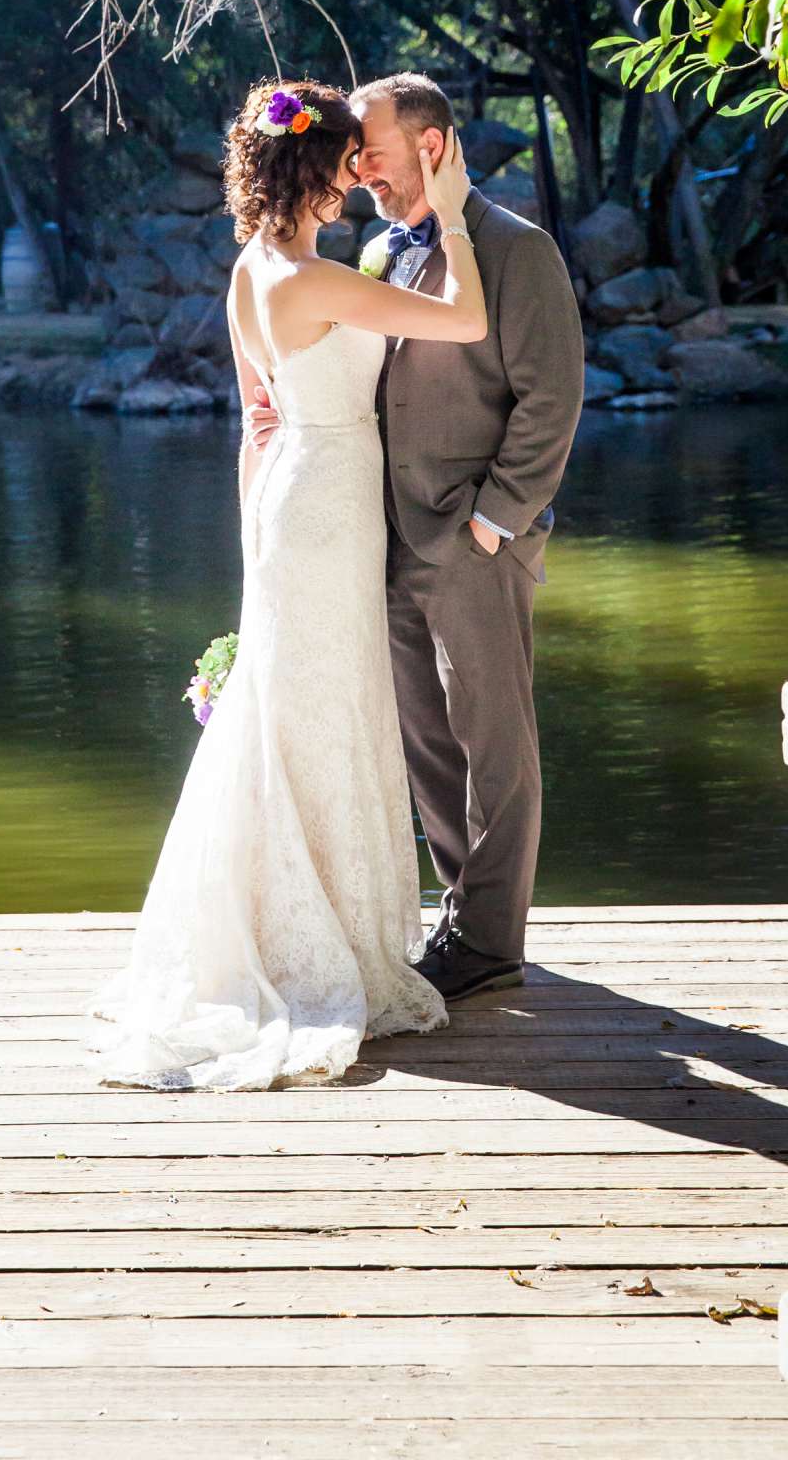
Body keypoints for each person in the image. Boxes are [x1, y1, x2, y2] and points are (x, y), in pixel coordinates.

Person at [92, 78, 492, 1090]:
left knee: (295, 712)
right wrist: (450, 219)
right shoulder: (319, 285)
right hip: (333, 505)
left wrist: (250, 561)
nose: (364, 170)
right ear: (320, 171)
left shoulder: (249, 272)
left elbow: (254, 429)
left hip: (288, 506)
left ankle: (290, 929)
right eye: (351, 155)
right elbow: (465, 321)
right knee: (328, 713)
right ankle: (322, 941)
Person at [288, 72, 585, 1001]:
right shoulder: (379, 249)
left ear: (430, 145)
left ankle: (493, 942)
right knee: (430, 745)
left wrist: (496, 523)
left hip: (471, 540)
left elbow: (552, 398)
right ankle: (464, 920)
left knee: (495, 743)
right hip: (387, 541)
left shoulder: (515, 249)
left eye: (370, 150)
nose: (359, 167)